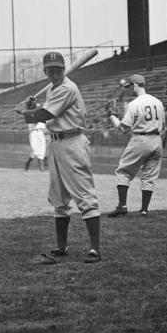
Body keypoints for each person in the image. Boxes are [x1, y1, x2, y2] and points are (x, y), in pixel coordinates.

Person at [14, 51, 101, 264]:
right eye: (50, 70)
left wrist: (24, 112)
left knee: (85, 196)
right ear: (45, 71)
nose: (54, 73)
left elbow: (45, 115)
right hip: (57, 143)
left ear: (64, 69)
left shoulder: (67, 88)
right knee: (59, 199)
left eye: (58, 69)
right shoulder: (53, 88)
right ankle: (61, 247)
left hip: (72, 142)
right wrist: (33, 107)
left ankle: (95, 250)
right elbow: (45, 112)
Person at [107, 74, 165, 218]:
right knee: (149, 176)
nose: (129, 90)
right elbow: (163, 125)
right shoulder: (158, 102)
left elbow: (124, 129)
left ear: (135, 85)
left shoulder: (134, 103)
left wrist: (113, 117)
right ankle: (144, 209)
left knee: (123, 172)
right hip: (157, 139)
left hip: (140, 139)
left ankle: (122, 206)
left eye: (130, 86)